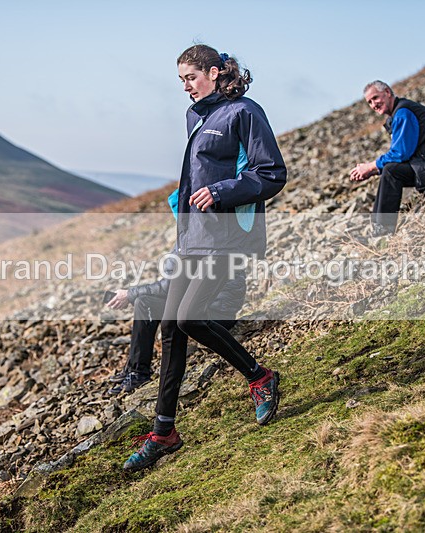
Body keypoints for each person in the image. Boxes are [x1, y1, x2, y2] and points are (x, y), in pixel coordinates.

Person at [123, 44, 287, 472]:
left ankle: (260, 376)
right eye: (181, 80)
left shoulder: (244, 112)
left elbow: (271, 173)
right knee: (171, 327)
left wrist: (219, 192)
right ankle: (164, 432)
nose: (186, 87)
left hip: (227, 238)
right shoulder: (195, 116)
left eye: (191, 78)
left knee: (190, 319)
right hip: (192, 238)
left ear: (214, 72)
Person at [105, 252, 247, 395]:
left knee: (145, 302)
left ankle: (139, 372)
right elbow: (173, 284)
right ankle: (135, 369)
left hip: (218, 313)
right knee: (144, 301)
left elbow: (171, 286)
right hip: (204, 307)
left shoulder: (199, 244)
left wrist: (129, 294)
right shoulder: (187, 243)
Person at [350, 80, 425, 234]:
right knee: (389, 170)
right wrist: (373, 170)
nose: (374, 104)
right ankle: (379, 227)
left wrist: (370, 166)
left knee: (390, 171)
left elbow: (400, 153)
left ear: (387, 92)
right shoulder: (399, 113)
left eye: (375, 98)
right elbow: (404, 153)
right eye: (369, 102)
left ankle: (382, 230)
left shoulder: (403, 113)